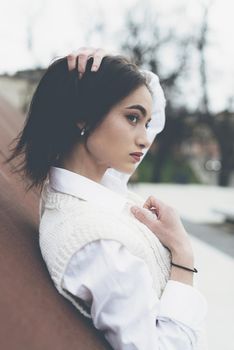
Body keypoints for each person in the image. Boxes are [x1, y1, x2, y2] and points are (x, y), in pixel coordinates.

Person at [6, 47, 208, 349]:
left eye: (146, 122)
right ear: (83, 116)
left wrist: (113, 67)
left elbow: (153, 102)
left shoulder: (101, 183)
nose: (145, 137)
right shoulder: (97, 243)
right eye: (132, 118)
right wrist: (182, 256)